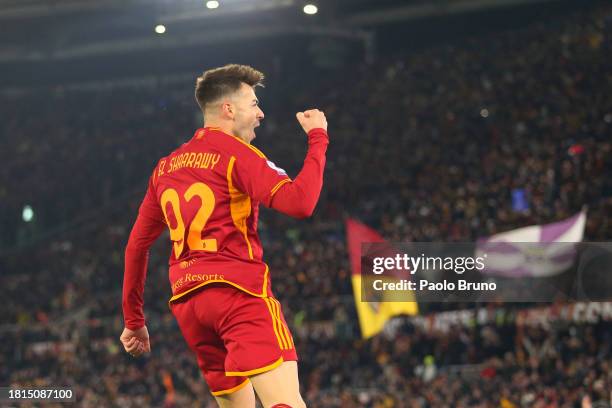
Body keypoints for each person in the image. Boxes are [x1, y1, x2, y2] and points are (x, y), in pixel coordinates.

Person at [119, 64, 328, 407]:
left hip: (190, 307)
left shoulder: (165, 168)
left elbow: (136, 247)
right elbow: (301, 203)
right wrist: (318, 138)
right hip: (238, 295)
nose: (261, 114)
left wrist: (133, 320)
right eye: (253, 103)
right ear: (228, 109)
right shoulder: (237, 155)